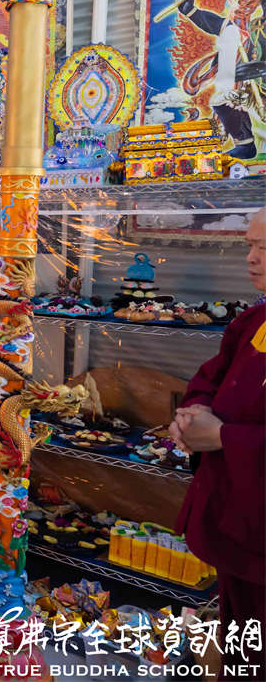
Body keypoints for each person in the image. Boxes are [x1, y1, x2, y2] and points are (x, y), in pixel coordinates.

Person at [169, 207, 265, 675]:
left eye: (264, 248)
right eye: (249, 245)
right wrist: (193, 414)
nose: (251, 258)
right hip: (238, 524)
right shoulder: (255, 320)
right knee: (240, 646)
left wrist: (224, 436)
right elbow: (211, 376)